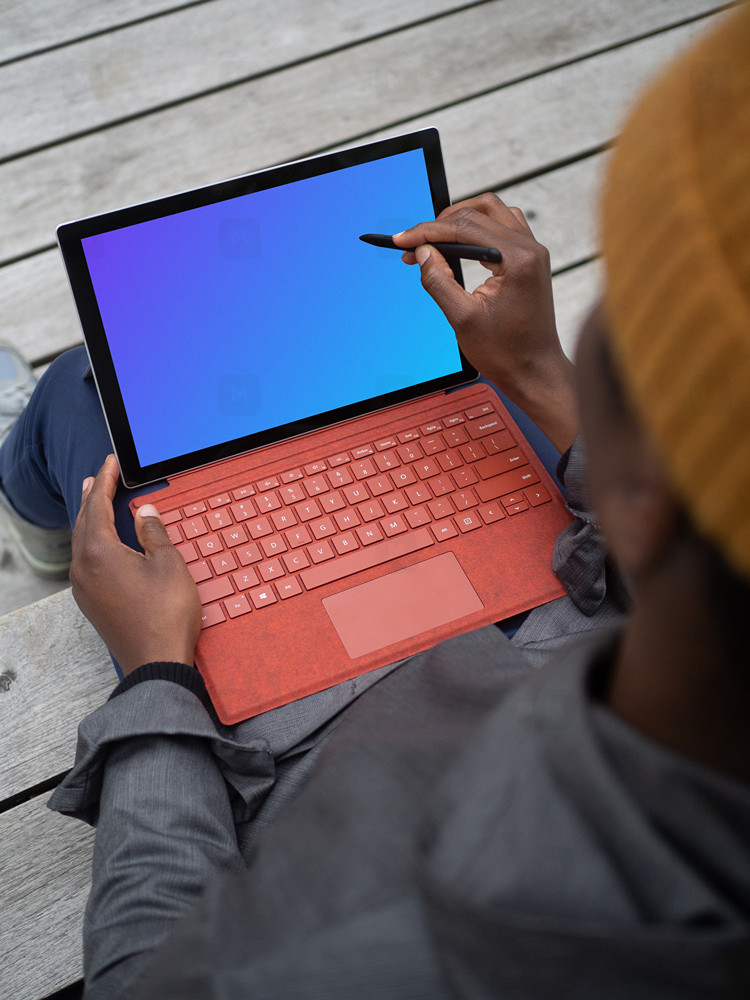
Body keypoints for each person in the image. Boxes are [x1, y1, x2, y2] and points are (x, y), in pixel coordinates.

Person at [2, 6, 750, 996]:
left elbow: (146, 973)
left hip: (300, 738)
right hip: (552, 607)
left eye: (619, 335)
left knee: (82, 394)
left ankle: (42, 543)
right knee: (455, 400)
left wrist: (155, 676)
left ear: (650, 499)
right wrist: (539, 374)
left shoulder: (388, 946)